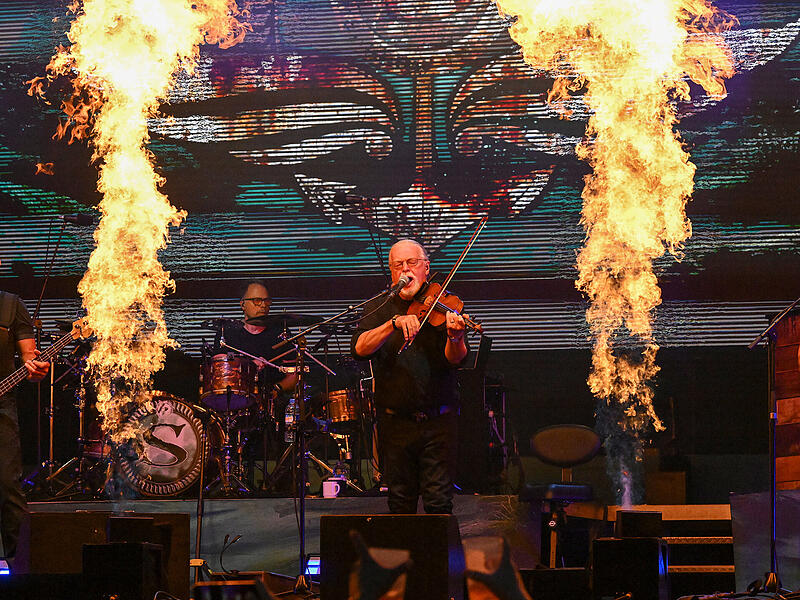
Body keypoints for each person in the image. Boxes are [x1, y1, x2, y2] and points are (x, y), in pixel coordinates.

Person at [351, 239, 468, 514]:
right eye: (398, 265)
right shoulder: (380, 307)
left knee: (439, 501)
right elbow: (359, 348)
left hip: (438, 421)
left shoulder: (443, 304)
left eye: (412, 263)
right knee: (400, 501)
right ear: (392, 273)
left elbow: (456, 359)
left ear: (426, 267)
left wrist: (456, 337)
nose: (406, 269)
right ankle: (406, 558)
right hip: (395, 423)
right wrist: (392, 324)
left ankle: (436, 558)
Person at [0, 282, 50, 562]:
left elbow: (30, 359)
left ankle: (14, 566)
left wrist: (36, 369)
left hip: (2, 407)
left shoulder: (10, 305)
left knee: (8, 486)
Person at [215, 280, 297, 396]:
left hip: (271, 401)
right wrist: (250, 367)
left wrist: (276, 389)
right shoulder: (227, 333)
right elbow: (220, 372)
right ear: (243, 304)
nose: (263, 305)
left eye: (266, 301)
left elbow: (294, 374)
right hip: (235, 399)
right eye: (257, 301)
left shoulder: (280, 333)